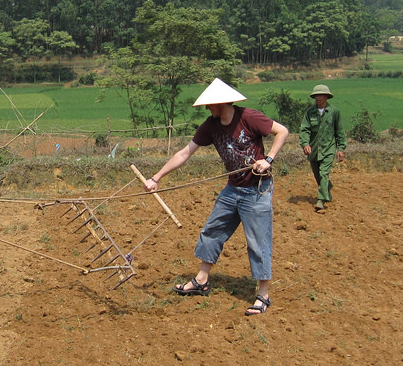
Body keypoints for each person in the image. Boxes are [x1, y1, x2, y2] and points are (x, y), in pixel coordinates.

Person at [144, 78, 289, 316]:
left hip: (257, 190)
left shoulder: (249, 117)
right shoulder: (210, 126)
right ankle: (202, 280)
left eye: (210, 104)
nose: (206, 108)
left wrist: (268, 159)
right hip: (232, 190)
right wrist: (156, 177)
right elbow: (185, 152)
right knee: (212, 230)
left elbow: (282, 131)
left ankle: (263, 295)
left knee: (258, 242)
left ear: (221, 102)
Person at [298, 84, 347, 212]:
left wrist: (341, 149)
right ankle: (327, 190)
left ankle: (321, 200)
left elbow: (340, 131)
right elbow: (304, 129)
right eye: (316, 95)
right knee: (317, 174)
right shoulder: (309, 112)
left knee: (323, 173)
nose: (318, 97)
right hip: (313, 149)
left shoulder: (334, 112)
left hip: (328, 148)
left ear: (326, 97)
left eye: (321, 95)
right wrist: (305, 144)